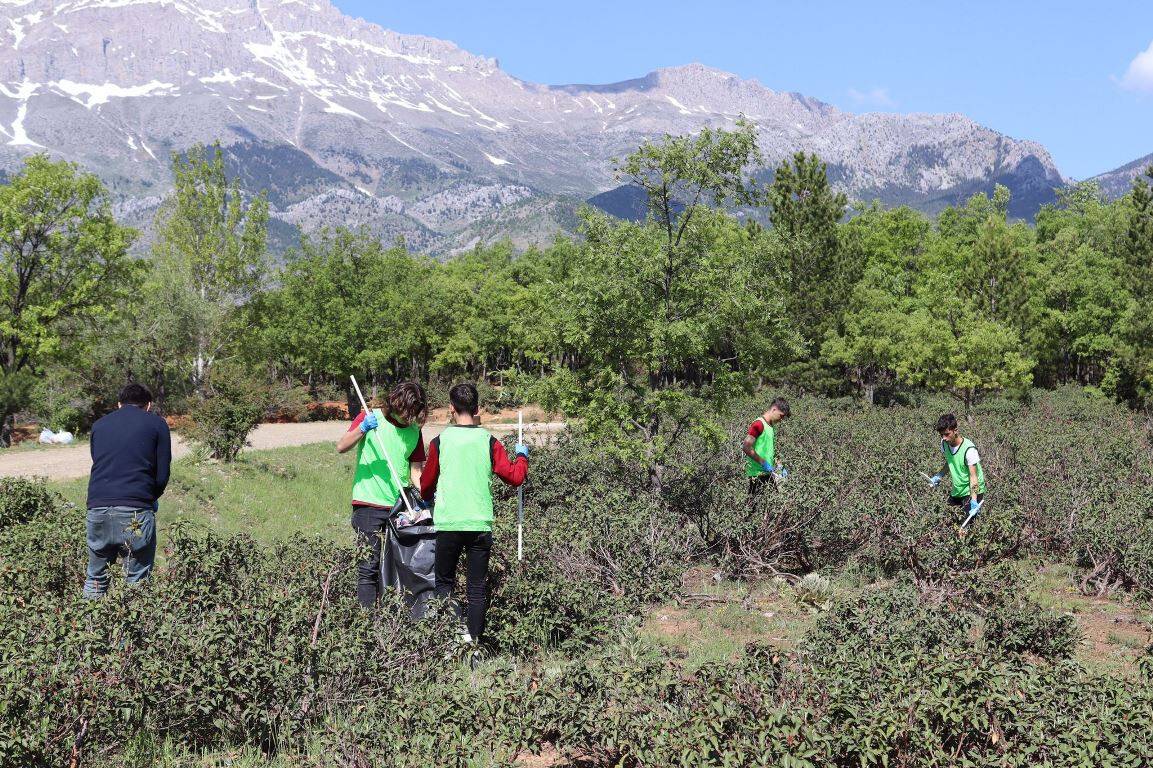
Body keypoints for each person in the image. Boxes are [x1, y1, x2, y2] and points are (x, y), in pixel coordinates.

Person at [420, 382, 528, 644]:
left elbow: (426, 484)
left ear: (451, 409)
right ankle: (475, 643)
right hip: (479, 524)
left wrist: (425, 499)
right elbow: (515, 478)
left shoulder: (439, 441)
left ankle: (449, 640)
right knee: (476, 588)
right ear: (478, 408)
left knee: (444, 584)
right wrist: (522, 457)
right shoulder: (488, 441)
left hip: (449, 523)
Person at [337, 380, 427, 608]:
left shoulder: (415, 431)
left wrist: (425, 496)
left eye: (413, 413)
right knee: (369, 567)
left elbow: (415, 470)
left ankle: (393, 623)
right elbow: (341, 446)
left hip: (400, 507)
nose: (408, 417)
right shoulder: (370, 416)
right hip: (368, 505)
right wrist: (362, 428)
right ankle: (367, 624)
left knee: (398, 567)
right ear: (395, 403)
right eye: (405, 411)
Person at [84, 383, 172, 598]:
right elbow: (162, 473)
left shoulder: (99, 425)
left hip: (98, 512)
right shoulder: (157, 424)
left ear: (119, 404)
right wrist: (149, 498)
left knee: (96, 577)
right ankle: (135, 630)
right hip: (134, 516)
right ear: (148, 405)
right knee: (137, 579)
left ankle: (88, 627)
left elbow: (98, 461)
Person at [926, 413, 985, 524]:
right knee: (948, 522)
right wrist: (939, 476)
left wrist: (973, 500)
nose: (944, 438)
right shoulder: (944, 444)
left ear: (955, 430)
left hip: (971, 490)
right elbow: (950, 462)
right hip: (957, 489)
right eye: (941, 435)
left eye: (947, 434)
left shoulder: (969, 449)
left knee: (966, 527)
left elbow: (974, 477)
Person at [742, 397, 790, 497]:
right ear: (774, 409)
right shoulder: (758, 424)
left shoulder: (770, 426)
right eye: (781, 416)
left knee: (771, 505)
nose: (781, 420)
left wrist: (780, 466)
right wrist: (763, 463)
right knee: (753, 509)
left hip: (767, 473)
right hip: (757, 474)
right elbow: (746, 447)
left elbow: (769, 450)